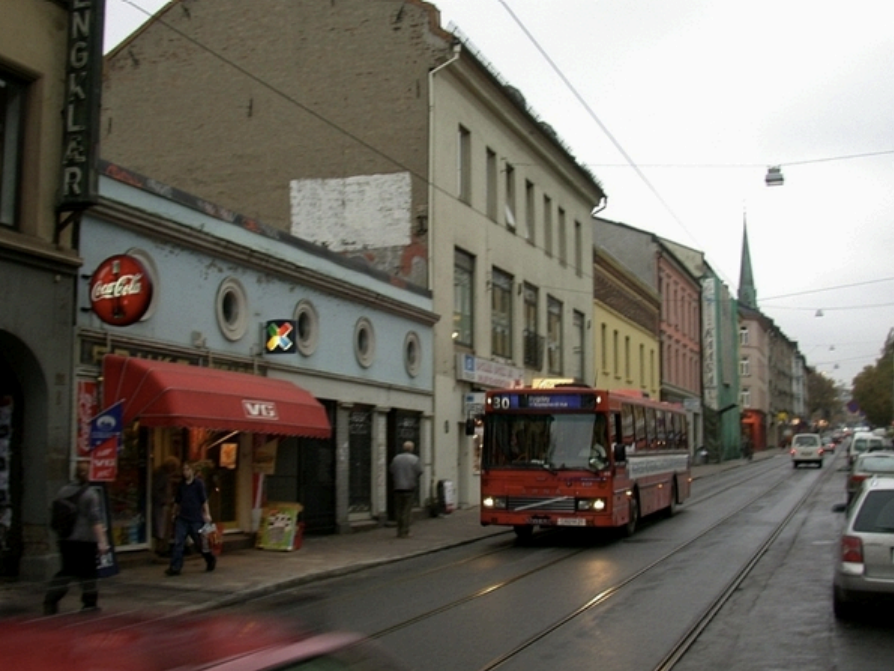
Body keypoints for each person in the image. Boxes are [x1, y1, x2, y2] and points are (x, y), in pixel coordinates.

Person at [44, 460, 109, 615]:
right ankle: (89, 603)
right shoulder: (90, 495)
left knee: (66, 570)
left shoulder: (63, 491)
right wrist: (103, 542)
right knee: (89, 572)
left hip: (65, 538)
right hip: (85, 539)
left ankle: (50, 600)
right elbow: (95, 520)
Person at [165, 462, 216, 576]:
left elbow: (204, 500)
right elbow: (178, 501)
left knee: (199, 543)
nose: (185, 472)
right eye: (184, 470)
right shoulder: (181, 485)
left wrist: (207, 514)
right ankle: (175, 567)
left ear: (192, 470)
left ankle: (210, 559)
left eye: (187, 469)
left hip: (195, 519)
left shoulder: (198, 484)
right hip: (182, 518)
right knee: (179, 542)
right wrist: (174, 513)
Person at [390, 440, 422, 538]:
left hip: (398, 487)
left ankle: (399, 530)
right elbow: (419, 471)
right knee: (406, 511)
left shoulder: (396, 459)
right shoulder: (414, 459)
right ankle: (405, 531)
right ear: (412, 449)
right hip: (409, 487)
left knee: (399, 510)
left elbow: (391, 470)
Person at [151, 456, 180, 556]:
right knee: (161, 527)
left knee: (163, 527)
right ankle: (161, 548)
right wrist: (164, 500)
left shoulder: (163, 474)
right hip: (161, 505)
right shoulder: (161, 475)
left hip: (164, 504)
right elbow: (156, 490)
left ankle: (163, 547)